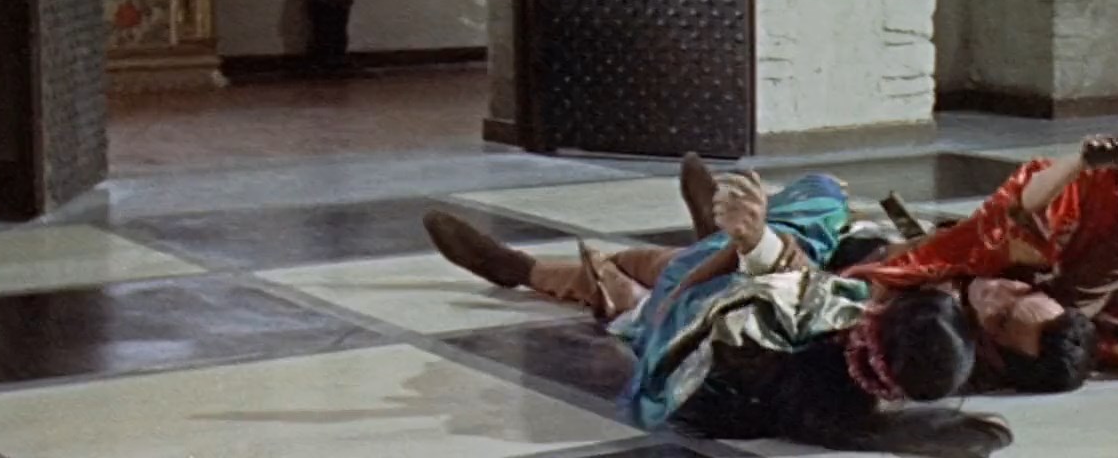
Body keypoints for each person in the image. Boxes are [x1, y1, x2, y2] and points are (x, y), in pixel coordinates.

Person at [430, 170, 1011, 456]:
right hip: (702, 327)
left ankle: (520, 269)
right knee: (679, 271)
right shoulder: (858, 392)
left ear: (879, 318)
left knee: (650, 276)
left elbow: (781, 279)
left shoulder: (807, 325)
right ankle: (692, 244)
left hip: (682, 329)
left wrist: (747, 242)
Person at [425, 157, 1097, 395]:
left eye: (1003, 317)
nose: (1002, 291)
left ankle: (522, 269)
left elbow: (813, 297)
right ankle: (715, 235)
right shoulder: (1005, 275)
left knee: (661, 274)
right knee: (819, 194)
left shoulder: (921, 342)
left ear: (990, 354)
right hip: (827, 247)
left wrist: (758, 246)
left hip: (784, 287)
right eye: (1023, 293)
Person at [845, 87, 1118, 375]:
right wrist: (1081, 161)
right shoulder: (1081, 182)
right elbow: (1009, 217)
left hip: (1064, 328)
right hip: (1006, 284)